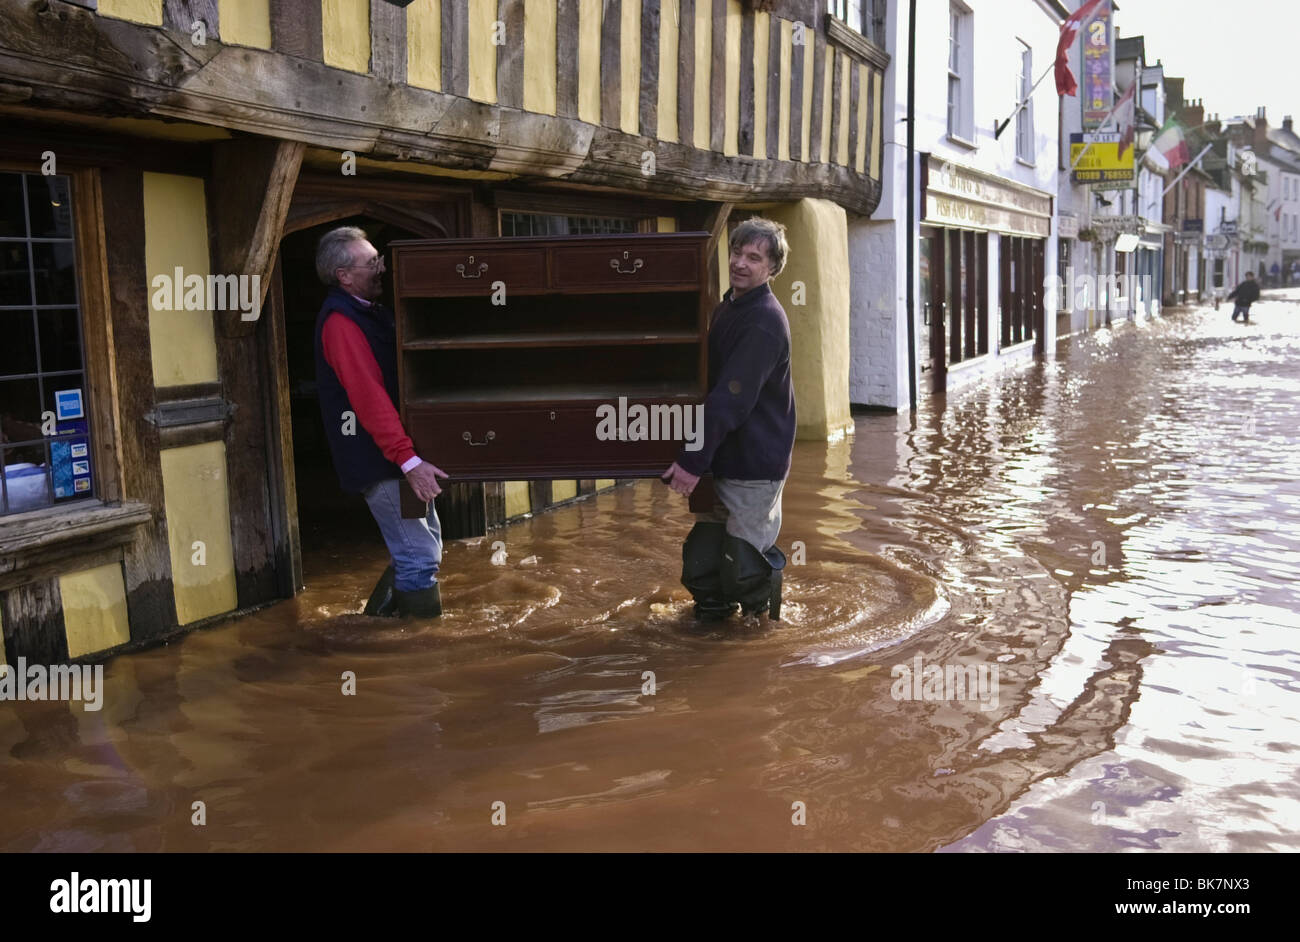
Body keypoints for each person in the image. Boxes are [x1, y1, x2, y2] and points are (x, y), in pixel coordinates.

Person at [661, 218, 796, 622]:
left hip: (755, 465)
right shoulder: (730, 307)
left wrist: (690, 461)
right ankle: (712, 628)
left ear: (771, 269)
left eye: (754, 258)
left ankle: (763, 632)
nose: (740, 263)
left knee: (744, 566)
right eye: (737, 252)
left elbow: (729, 400)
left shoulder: (764, 321)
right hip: (722, 456)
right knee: (704, 564)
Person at [313, 226, 449, 617]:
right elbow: (368, 397)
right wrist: (408, 460)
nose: (383, 269)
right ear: (344, 275)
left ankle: (374, 627)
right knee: (419, 558)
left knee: (425, 547)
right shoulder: (341, 322)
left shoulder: (372, 312)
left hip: (392, 457)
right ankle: (416, 648)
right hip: (378, 458)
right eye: (372, 262)